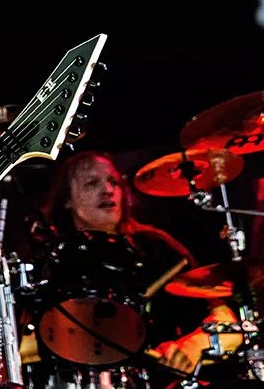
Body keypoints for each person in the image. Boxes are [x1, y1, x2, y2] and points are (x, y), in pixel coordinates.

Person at [39, 151, 238, 372]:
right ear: (66, 199)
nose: (107, 190)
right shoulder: (54, 261)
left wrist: (194, 346)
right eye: (91, 183)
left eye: (114, 182)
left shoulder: (155, 246)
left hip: (166, 382)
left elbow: (225, 318)